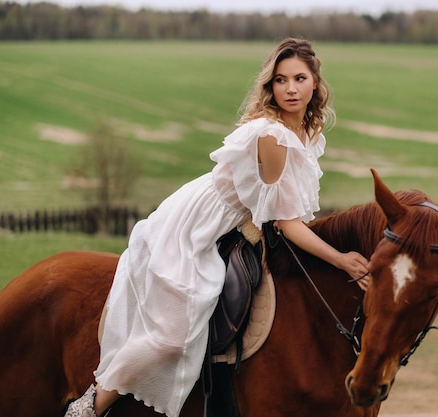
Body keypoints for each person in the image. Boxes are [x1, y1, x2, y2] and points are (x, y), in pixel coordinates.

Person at [65, 37, 370, 417]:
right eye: (280, 80)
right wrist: (340, 260)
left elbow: (288, 210)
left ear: (315, 83)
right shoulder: (272, 135)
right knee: (172, 333)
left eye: (299, 78)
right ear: (270, 86)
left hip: (239, 220)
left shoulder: (308, 130)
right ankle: (91, 405)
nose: (290, 89)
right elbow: (283, 219)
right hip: (203, 221)